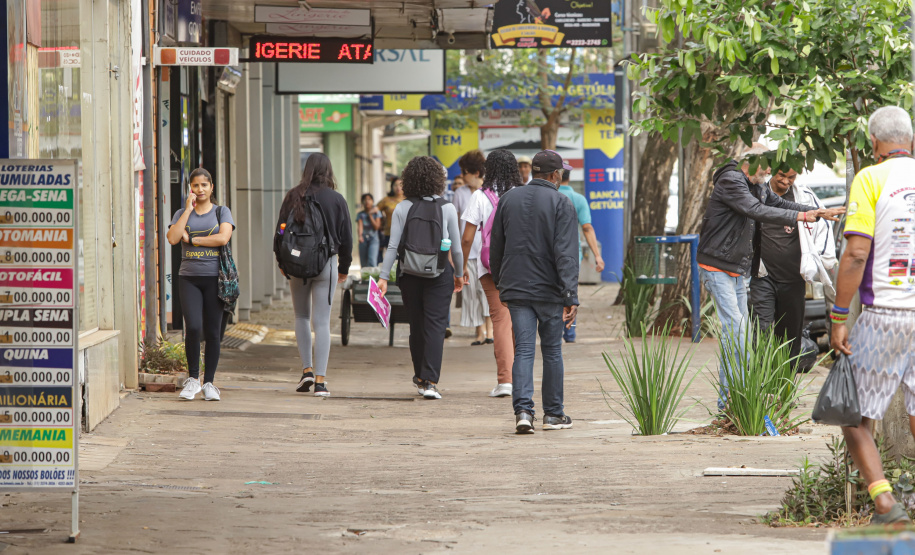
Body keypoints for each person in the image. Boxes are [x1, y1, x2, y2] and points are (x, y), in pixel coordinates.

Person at [698, 145, 844, 410]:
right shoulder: (732, 180)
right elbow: (757, 210)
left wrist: (814, 211)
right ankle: (734, 401)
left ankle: (732, 401)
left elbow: (778, 203)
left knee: (740, 335)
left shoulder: (755, 185)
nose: (768, 173)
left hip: (737, 269)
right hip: (717, 267)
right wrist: (801, 215)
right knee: (737, 333)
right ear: (752, 162)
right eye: (766, 167)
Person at [832, 106, 915, 525]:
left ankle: (885, 503)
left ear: (874, 143)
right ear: (911, 141)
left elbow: (856, 253)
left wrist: (838, 316)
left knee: (852, 413)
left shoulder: (870, 179)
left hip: (886, 314)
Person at [490, 150, 579, 433]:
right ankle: (553, 415)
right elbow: (566, 254)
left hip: (516, 288)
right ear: (554, 175)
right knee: (552, 351)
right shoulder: (561, 202)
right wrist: (570, 295)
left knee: (524, 350)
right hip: (550, 290)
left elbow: (496, 246)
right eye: (560, 173)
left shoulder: (508, 199)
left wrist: (501, 284)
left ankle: (523, 413)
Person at [378, 157, 464, 400]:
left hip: (409, 274)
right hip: (440, 273)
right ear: (438, 180)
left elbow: (392, 246)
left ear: (409, 179)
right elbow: (456, 249)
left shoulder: (402, 207)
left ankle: (419, 377)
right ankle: (430, 382)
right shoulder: (447, 208)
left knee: (416, 326)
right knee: (436, 326)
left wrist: (384, 277)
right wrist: (459, 274)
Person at [278, 153, 353, 398]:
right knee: (322, 322)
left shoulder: (293, 196)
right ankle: (320, 382)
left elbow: (280, 231)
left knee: (301, 316)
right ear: (328, 171)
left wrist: (282, 261)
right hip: (325, 265)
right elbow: (347, 238)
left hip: (296, 263)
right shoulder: (337, 199)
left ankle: (306, 370)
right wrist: (343, 267)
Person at [750, 167, 836, 364]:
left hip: (794, 278)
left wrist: (820, 259)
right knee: (762, 330)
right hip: (763, 275)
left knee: (790, 335)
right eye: (781, 175)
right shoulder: (758, 193)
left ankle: (785, 380)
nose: (786, 181)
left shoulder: (804, 196)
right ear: (772, 171)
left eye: (791, 177)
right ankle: (760, 378)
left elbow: (823, 225)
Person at [167, 168, 235, 402]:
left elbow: (223, 238)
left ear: (211, 187)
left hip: (215, 278)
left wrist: (194, 240)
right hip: (189, 278)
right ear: (190, 188)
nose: (200, 189)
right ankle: (193, 379)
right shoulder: (181, 213)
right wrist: (188, 210)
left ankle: (209, 383)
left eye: (204, 185)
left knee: (213, 331)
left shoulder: (221, 212)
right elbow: (173, 238)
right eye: (195, 185)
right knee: (194, 327)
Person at [461, 149, 524, 398]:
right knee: (521, 320)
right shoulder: (523, 194)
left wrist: (461, 267)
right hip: (521, 266)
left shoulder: (479, 196)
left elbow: (467, 238)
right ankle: (521, 379)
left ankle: (505, 381)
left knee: (500, 320)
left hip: (490, 267)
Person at [558, 170, 606, 343]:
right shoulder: (578, 199)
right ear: (569, 177)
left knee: (552, 293)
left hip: (548, 255)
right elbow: (587, 228)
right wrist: (597, 256)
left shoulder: (548, 197)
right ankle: (570, 333)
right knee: (570, 292)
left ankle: (554, 333)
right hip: (572, 255)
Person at [457, 150, 493, 345]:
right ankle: (479, 331)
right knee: (470, 294)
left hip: (486, 251)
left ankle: (490, 331)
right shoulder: (459, 193)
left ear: (476, 173)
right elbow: (456, 224)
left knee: (486, 291)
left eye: (465, 172)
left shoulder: (489, 192)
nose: (463, 176)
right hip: (467, 252)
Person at [377, 176, 405, 261]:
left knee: (403, 259)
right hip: (389, 233)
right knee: (393, 259)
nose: (398, 188)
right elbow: (375, 210)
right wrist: (381, 221)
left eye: (400, 185)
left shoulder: (408, 199)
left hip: (405, 234)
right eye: (395, 185)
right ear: (392, 187)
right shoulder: (386, 200)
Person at [356, 193, 382, 268]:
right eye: (365, 200)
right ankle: (365, 276)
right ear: (362, 202)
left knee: (372, 261)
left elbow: (376, 227)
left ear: (372, 201)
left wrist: (370, 215)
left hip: (374, 239)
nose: (367, 201)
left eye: (369, 199)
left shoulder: (377, 213)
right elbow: (360, 226)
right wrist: (360, 236)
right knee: (363, 263)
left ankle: (373, 276)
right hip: (363, 239)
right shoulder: (360, 214)